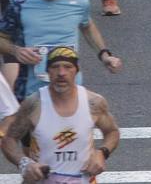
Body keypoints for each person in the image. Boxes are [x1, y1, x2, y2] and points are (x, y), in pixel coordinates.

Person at [0, 0, 121, 99]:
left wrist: (105, 55)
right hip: (32, 93)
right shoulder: (20, 3)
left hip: (71, 92)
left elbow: (87, 26)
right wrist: (16, 50)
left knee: (99, 108)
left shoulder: (79, 2)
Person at [0, 47, 118, 184]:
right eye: (55, 67)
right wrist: (25, 163)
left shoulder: (93, 103)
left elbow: (112, 131)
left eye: (68, 67)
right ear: (48, 71)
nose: (61, 73)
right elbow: (9, 139)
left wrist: (102, 153)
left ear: (76, 71)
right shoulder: (33, 104)